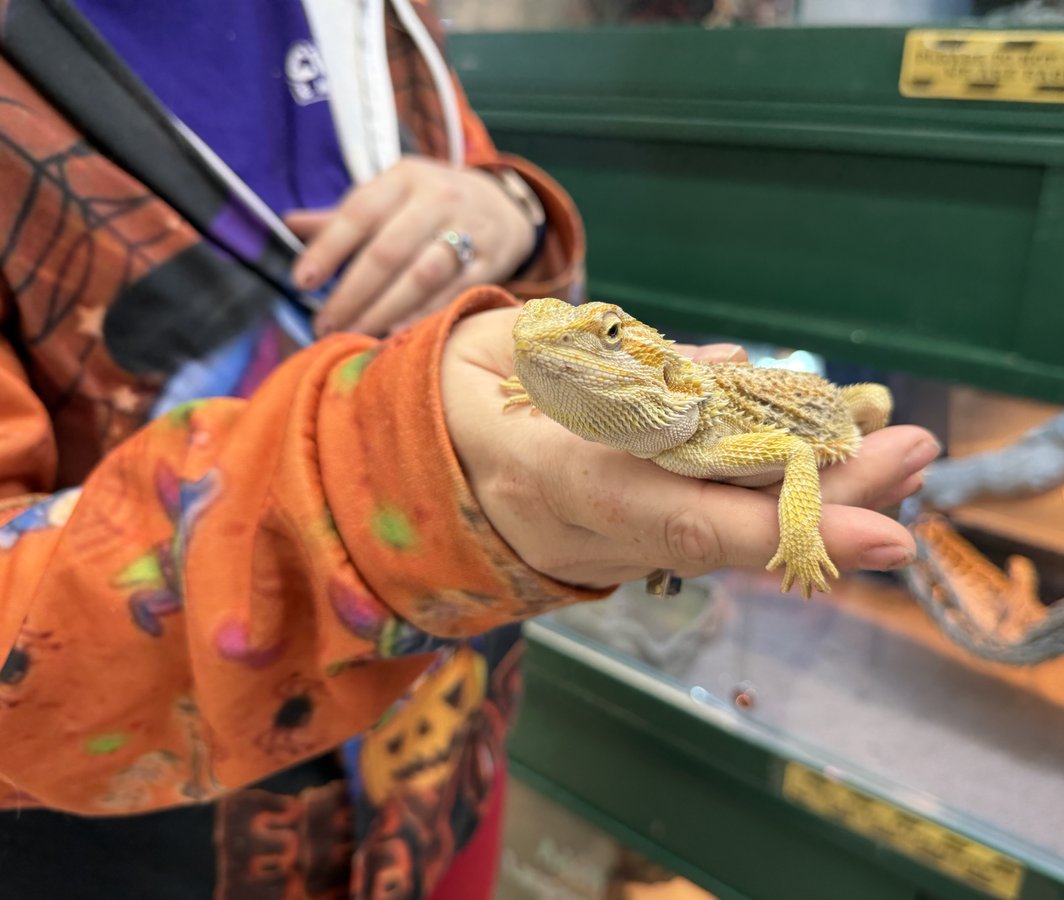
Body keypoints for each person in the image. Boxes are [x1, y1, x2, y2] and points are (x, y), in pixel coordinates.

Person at [0, 1, 938, 897]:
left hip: (454, 751)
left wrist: (508, 210)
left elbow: (523, 282)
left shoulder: (381, 11)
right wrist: (395, 471)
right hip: (151, 841)